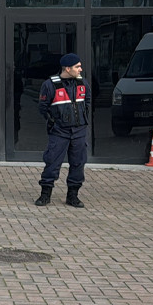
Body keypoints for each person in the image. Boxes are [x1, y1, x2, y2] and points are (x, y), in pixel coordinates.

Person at [35, 53, 90, 208]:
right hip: (59, 131)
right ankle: (45, 195)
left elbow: (88, 101)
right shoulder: (50, 85)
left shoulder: (83, 83)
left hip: (79, 131)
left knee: (78, 163)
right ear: (67, 68)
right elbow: (43, 107)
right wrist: (53, 121)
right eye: (77, 66)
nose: (80, 69)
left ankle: (73, 196)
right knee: (52, 162)